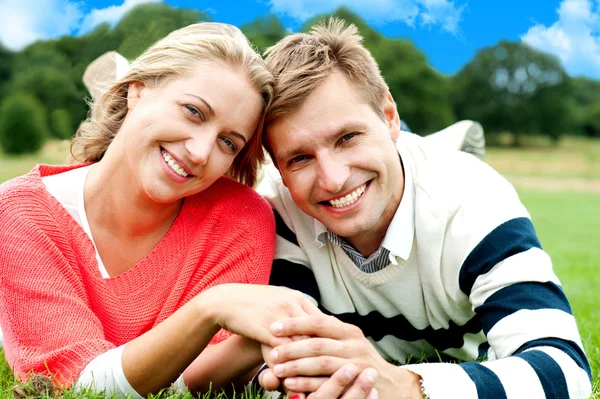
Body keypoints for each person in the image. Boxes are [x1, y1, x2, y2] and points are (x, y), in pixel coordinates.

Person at [255, 19, 592, 399]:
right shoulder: (277, 205)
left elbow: (566, 373)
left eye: (347, 137)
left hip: (442, 199)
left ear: (389, 116)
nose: (332, 179)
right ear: (279, 168)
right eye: (299, 158)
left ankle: (436, 146)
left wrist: (408, 385)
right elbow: (283, 363)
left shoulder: (475, 198)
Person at [0, 22, 325, 398]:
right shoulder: (21, 214)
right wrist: (210, 309)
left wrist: (267, 339)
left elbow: (200, 379)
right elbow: (73, 386)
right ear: (137, 90)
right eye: (193, 111)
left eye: (227, 142)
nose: (201, 152)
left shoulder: (238, 219)